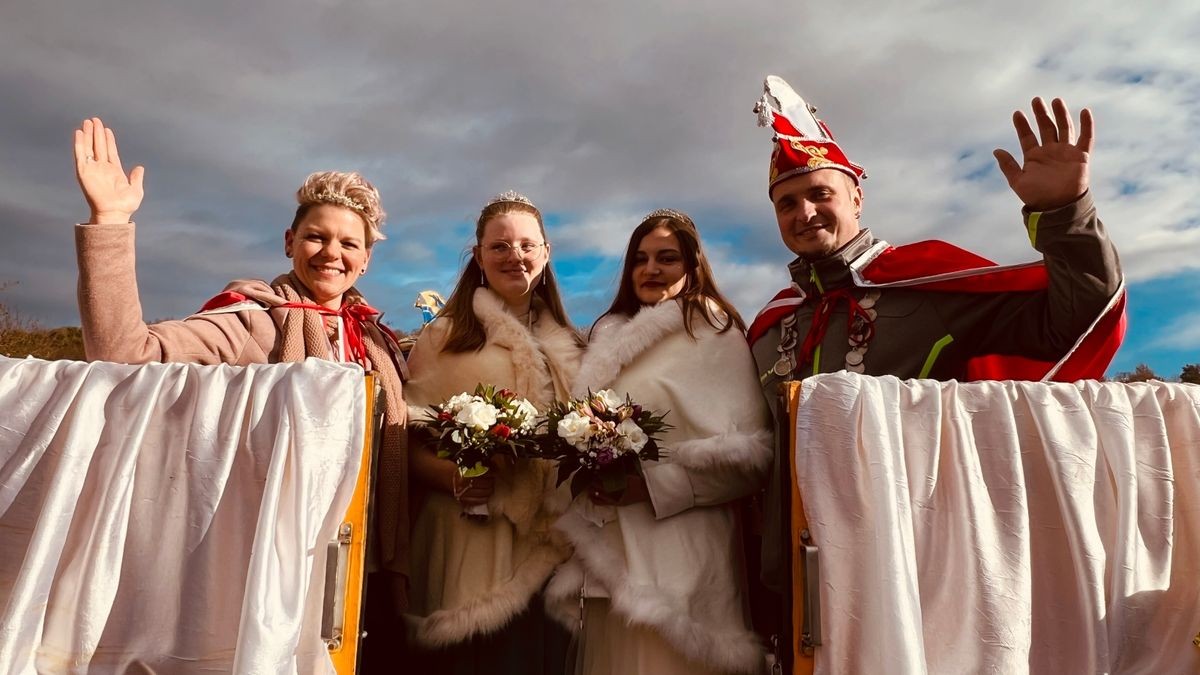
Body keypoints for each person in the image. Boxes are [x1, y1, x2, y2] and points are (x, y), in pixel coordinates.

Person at [744, 76, 1125, 614]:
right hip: (791, 579)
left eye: (819, 194)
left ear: (856, 195)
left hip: (917, 566)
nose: (803, 212)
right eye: (786, 203)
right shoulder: (768, 327)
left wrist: (1066, 214)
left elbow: (1074, 321)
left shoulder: (930, 284)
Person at [70, 117, 411, 664]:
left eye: (349, 243)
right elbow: (124, 355)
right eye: (316, 236)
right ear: (289, 242)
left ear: (366, 258)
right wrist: (110, 223)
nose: (332, 253)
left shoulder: (379, 344)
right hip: (279, 561)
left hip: (364, 562)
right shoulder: (253, 322)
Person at [545, 210, 772, 675]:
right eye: (641, 259)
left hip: (682, 557)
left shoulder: (714, 330)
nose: (651, 269)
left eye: (667, 258)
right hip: (611, 552)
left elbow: (748, 460)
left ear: (692, 265)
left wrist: (653, 487)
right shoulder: (607, 334)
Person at [403, 191, 583, 674]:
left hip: (557, 551)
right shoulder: (443, 336)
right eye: (499, 246)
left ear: (545, 253)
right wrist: (453, 478)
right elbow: (405, 438)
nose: (514, 256)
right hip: (472, 546)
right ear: (479, 257)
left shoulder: (573, 344)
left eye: (527, 245)